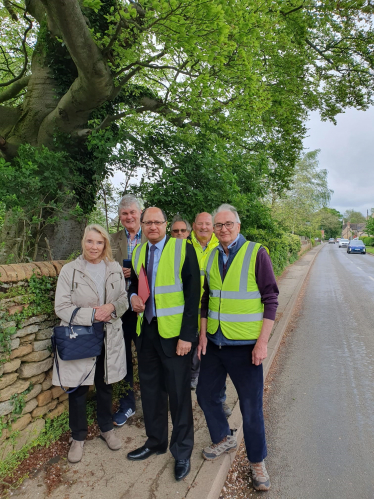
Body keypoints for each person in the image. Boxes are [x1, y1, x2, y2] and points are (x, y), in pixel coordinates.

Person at [196, 204, 279, 492]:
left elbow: (271, 299)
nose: (222, 229)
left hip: (246, 348)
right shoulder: (213, 256)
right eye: (218, 225)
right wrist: (203, 335)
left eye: (228, 224)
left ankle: (257, 463)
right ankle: (223, 437)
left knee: (251, 408)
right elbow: (207, 299)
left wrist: (262, 343)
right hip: (215, 344)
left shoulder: (256, 253)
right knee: (205, 395)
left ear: (238, 226)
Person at [127, 207, 200, 481]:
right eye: (148, 222)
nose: (153, 227)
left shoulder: (182, 249)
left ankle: (181, 451)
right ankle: (155, 442)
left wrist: (187, 336)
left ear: (166, 225)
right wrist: (132, 296)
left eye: (158, 222)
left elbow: (193, 295)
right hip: (146, 333)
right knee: (151, 392)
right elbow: (134, 285)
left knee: (179, 395)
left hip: (174, 336)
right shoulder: (138, 252)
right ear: (142, 225)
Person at [53, 224, 128, 464]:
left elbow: (123, 299)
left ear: (105, 245)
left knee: (105, 385)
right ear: (83, 242)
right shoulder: (70, 271)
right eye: (89, 241)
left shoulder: (114, 268)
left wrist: (112, 308)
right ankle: (78, 436)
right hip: (81, 335)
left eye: (99, 242)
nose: (94, 247)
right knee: (78, 388)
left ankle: (107, 428)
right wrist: (93, 315)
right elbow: (61, 307)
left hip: (108, 335)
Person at [189, 213, 232, 418]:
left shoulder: (221, 247)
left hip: (212, 315)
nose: (204, 227)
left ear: (213, 227)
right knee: (190, 362)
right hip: (188, 313)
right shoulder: (184, 246)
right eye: (201, 224)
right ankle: (190, 403)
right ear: (194, 226)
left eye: (208, 224)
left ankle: (220, 402)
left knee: (215, 364)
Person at [110, 194, 147, 426]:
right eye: (124, 214)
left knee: (147, 356)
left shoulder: (152, 236)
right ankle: (127, 405)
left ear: (140, 213)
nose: (129, 217)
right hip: (119, 307)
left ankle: (152, 402)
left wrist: (133, 272)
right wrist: (117, 272)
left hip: (144, 307)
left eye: (133, 212)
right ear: (120, 217)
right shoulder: (111, 239)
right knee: (122, 357)